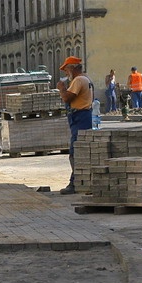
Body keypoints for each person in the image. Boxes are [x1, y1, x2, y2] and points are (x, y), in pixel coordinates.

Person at [57, 56, 94, 195]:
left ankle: (75, 183)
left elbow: (67, 97)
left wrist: (62, 88)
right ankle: (81, 181)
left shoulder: (78, 80)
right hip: (82, 116)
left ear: (72, 68)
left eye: (66, 70)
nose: (66, 73)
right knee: (79, 151)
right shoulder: (86, 79)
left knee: (76, 151)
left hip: (80, 117)